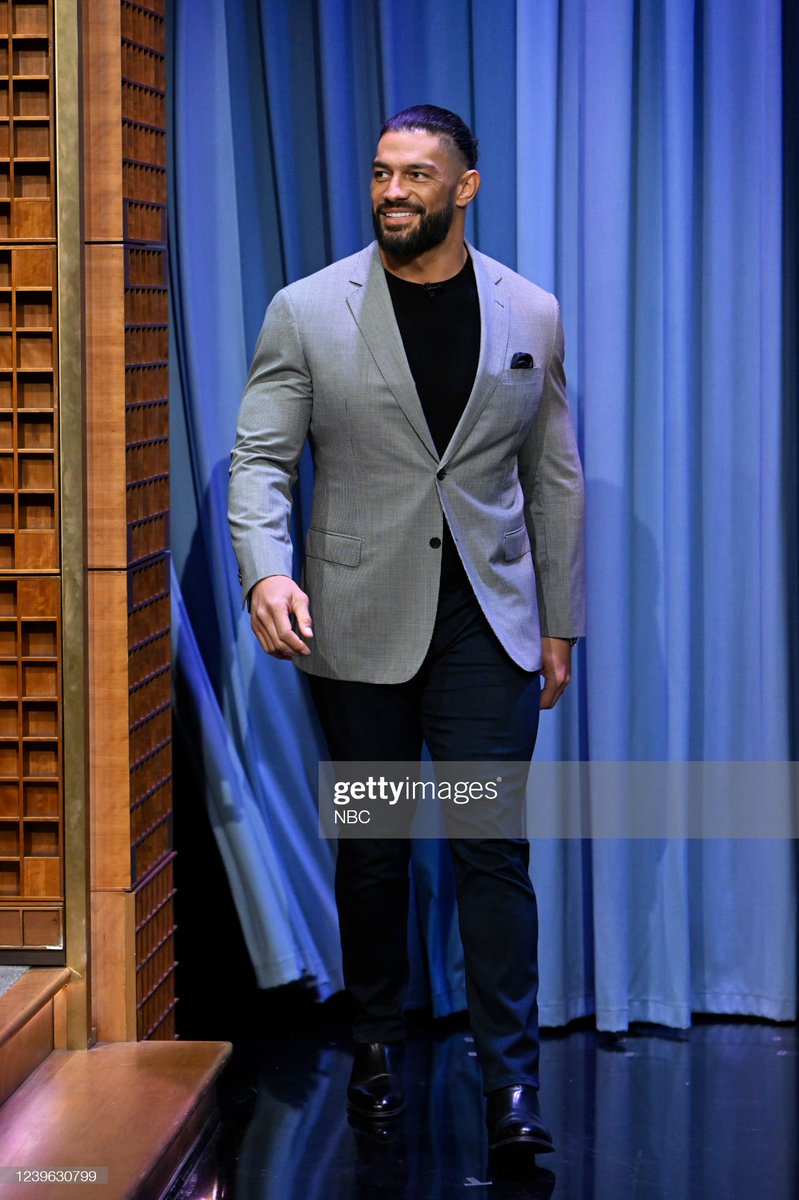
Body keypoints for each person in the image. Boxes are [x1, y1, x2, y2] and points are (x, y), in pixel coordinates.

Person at [228, 104, 585, 1156]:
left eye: (416, 175)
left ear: (463, 187)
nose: (392, 191)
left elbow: (552, 476)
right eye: (383, 172)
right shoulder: (306, 309)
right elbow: (259, 461)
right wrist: (266, 571)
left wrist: (559, 622)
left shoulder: (530, 311)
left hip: (488, 626)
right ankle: (377, 1045)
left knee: (490, 849)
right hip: (358, 621)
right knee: (375, 851)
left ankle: (510, 1085)